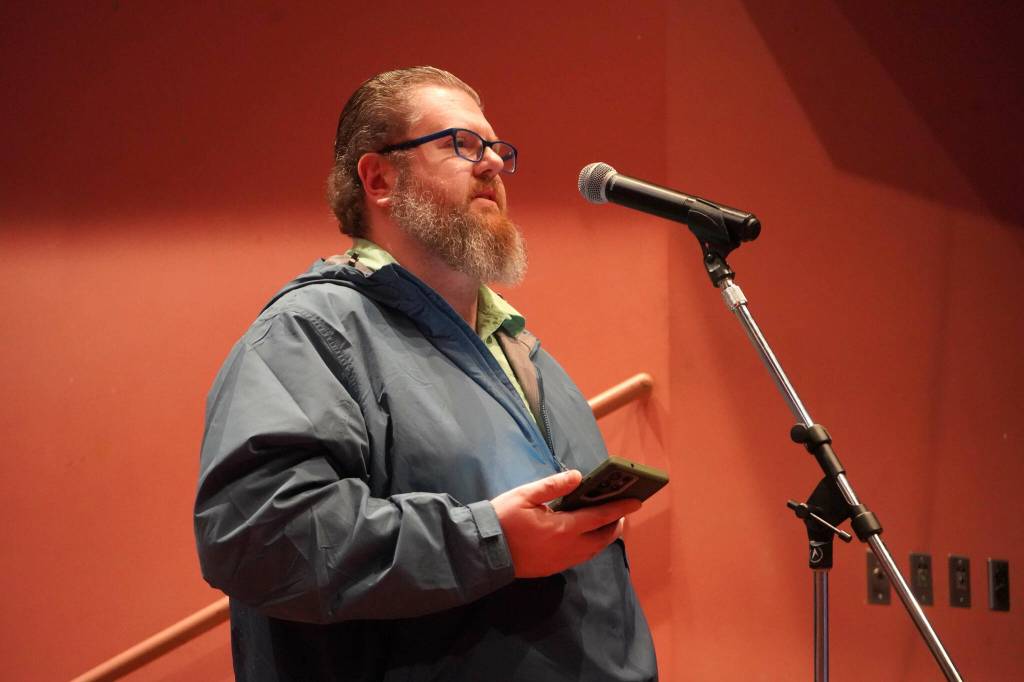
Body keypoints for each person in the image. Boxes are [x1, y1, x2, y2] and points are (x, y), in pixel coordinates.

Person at [194, 66, 658, 681]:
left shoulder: (525, 353)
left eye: (496, 148)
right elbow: (258, 535)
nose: (492, 162)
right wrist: (488, 541)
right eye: (461, 144)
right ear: (380, 178)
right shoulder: (310, 333)